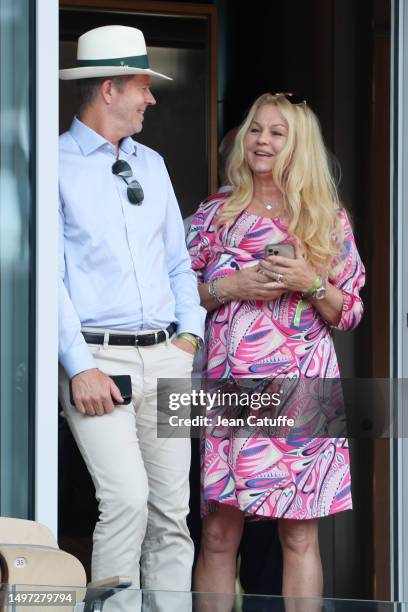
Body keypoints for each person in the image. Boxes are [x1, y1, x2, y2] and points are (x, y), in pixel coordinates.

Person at [187, 93, 365, 604]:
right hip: (228, 392)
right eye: (256, 130)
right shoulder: (214, 216)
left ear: (298, 145)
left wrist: (312, 282)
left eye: (277, 132)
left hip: (302, 391)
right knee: (219, 535)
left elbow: (350, 312)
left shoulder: (326, 219)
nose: (262, 140)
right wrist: (231, 288)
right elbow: (174, 300)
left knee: (298, 534)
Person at [58, 24, 205, 597]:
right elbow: (50, 280)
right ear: (110, 89)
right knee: (124, 501)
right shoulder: (55, 165)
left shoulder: (154, 164)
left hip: (167, 358)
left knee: (173, 513)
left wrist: (188, 338)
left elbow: (178, 263)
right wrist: (78, 365)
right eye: (143, 86)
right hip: (97, 359)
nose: (151, 98)